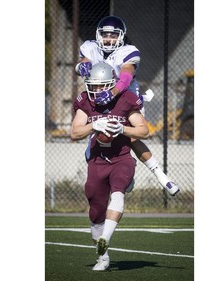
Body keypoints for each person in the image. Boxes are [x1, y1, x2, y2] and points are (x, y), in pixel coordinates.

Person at [75, 15, 180, 196]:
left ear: (121, 36)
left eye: (113, 35)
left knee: (131, 138)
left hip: (125, 96)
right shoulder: (90, 47)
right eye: (105, 35)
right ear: (99, 35)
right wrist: (81, 67)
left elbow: (126, 76)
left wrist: (112, 92)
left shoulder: (129, 51)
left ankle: (160, 174)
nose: (109, 39)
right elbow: (83, 62)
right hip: (97, 96)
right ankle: (125, 173)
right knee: (96, 140)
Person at [70, 62, 149, 271]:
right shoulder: (85, 100)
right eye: (92, 85)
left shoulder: (125, 98)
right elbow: (74, 133)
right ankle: (103, 256)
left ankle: (105, 238)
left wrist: (122, 128)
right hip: (97, 160)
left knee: (118, 193)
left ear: (111, 84)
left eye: (101, 86)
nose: (96, 90)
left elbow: (143, 131)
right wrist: (92, 125)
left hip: (121, 157)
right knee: (96, 212)